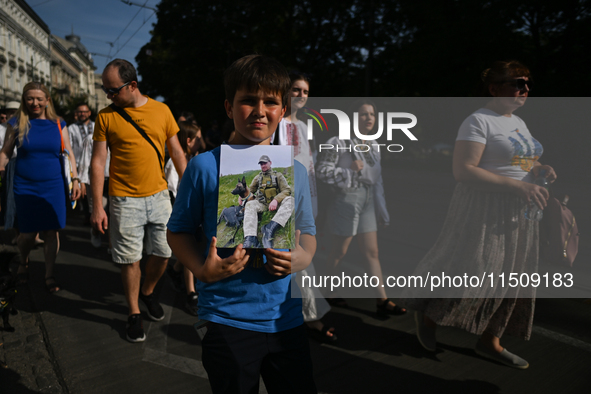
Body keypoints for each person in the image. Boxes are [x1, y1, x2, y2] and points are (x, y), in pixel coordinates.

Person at [167, 54, 317, 393]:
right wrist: (201, 271)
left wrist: (302, 258)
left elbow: (307, 232)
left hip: (285, 317)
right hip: (226, 317)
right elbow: (178, 231)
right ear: (229, 107)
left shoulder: (296, 171)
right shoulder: (205, 166)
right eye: (248, 100)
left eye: (270, 102)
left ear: (282, 110)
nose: (260, 110)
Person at [408, 60, 556, 369]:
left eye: (527, 83)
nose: (525, 89)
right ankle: (428, 313)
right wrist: (517, 188)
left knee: (513, 277)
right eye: (518, 83)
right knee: (471, 268)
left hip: (522, 210)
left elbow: (520, 162)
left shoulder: (517, 121)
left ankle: (491, 341)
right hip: (485, 208)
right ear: (494, 88)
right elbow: (463, 171)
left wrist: (539, 169)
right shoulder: (478, 121)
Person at [90, 59, 187, 343]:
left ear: (132, 85)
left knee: (165, 251)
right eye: (105, 90)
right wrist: (98, 205)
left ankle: (147, 292)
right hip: (123, 199)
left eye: (113, 90)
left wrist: (191, 190)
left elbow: (178, 153)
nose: (109, 96)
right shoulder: (106, 117)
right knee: (129, 258)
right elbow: (98, 162)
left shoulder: (162, 110)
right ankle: (133, 312)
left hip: (159, 196)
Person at [316, 99, 407, 316]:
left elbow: (378, 181)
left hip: (367, 200)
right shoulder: (337, 141)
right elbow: (321, 170)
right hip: (346, 199)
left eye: (372, 114)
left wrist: (382, 210)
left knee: (372, 252)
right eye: (364, 114)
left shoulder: (374, 145)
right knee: (340, 250)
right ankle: (328, 290)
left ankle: (382, 299)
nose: (368, 118)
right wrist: (348, 171)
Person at [0, 82, 81, 293]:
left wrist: (76, 179)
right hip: (25, 185)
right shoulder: (16, 123)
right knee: (27, 234)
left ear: (47, 100)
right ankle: (24, 261)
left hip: (53, 185)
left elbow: (69, 153)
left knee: (52, 231)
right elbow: (6, 151)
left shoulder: (58, 124)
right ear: (24, 100)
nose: (34, 103)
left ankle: (49, 273)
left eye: (39, 99)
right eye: (30, 99)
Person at [275, 73, 335, 342]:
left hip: (304, 200)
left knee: (296, 257)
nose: (301, 95)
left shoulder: (303, 127)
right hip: (281, 199)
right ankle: (311, 316)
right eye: (296, 90)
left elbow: (309, 167)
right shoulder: (276, 122)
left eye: (306, 91)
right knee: (295, 258)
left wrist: (312, 202)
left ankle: (302, 314)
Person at [164, 120, 201, 315]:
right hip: (183, 209)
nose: (201, 143)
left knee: (193, 248)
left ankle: (175, 270)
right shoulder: (174, 162)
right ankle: (191, 293)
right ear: (188, 141)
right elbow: (172, 190)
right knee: (191, 248)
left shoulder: (195, 159)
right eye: (198, 139)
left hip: (194, 208)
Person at [242, 155, 294, 248]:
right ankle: (251, 238)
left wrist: (276, 200)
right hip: (263, 204)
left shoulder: (278, 176)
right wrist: (242, 196)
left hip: (277, 204)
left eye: (265, 163)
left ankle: (270, 228)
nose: (263, 165)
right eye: (261, 164)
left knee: (291, 200)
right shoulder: (258, 178)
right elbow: (250, 191)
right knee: (249, 204)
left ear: (270, 163)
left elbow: (287, 190)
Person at [68, 103, 94, 221]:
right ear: (76, 114)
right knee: (82, 191)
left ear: (89, 113)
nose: (82, 114)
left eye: (85, 112)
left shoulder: (96, 125)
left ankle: (92, 212)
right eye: (80, 112)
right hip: (78, 165)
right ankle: (86, 215)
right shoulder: (71, 128)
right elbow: (69, 148)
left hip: (95, 164)